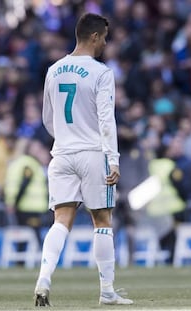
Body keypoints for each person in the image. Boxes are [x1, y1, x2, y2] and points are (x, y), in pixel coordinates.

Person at [33, 13, 133, 306]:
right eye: (103, 37)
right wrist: (112, 159)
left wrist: (65, 137)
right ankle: (106, 292)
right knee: (102, 220)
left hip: (61, 154)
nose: (105, 43)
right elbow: (107, 120)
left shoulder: (54, 70)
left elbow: (47, 119)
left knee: (61, 221)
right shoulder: (101, 72)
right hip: (92, 153)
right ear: (93, 36)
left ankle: (44, 278)